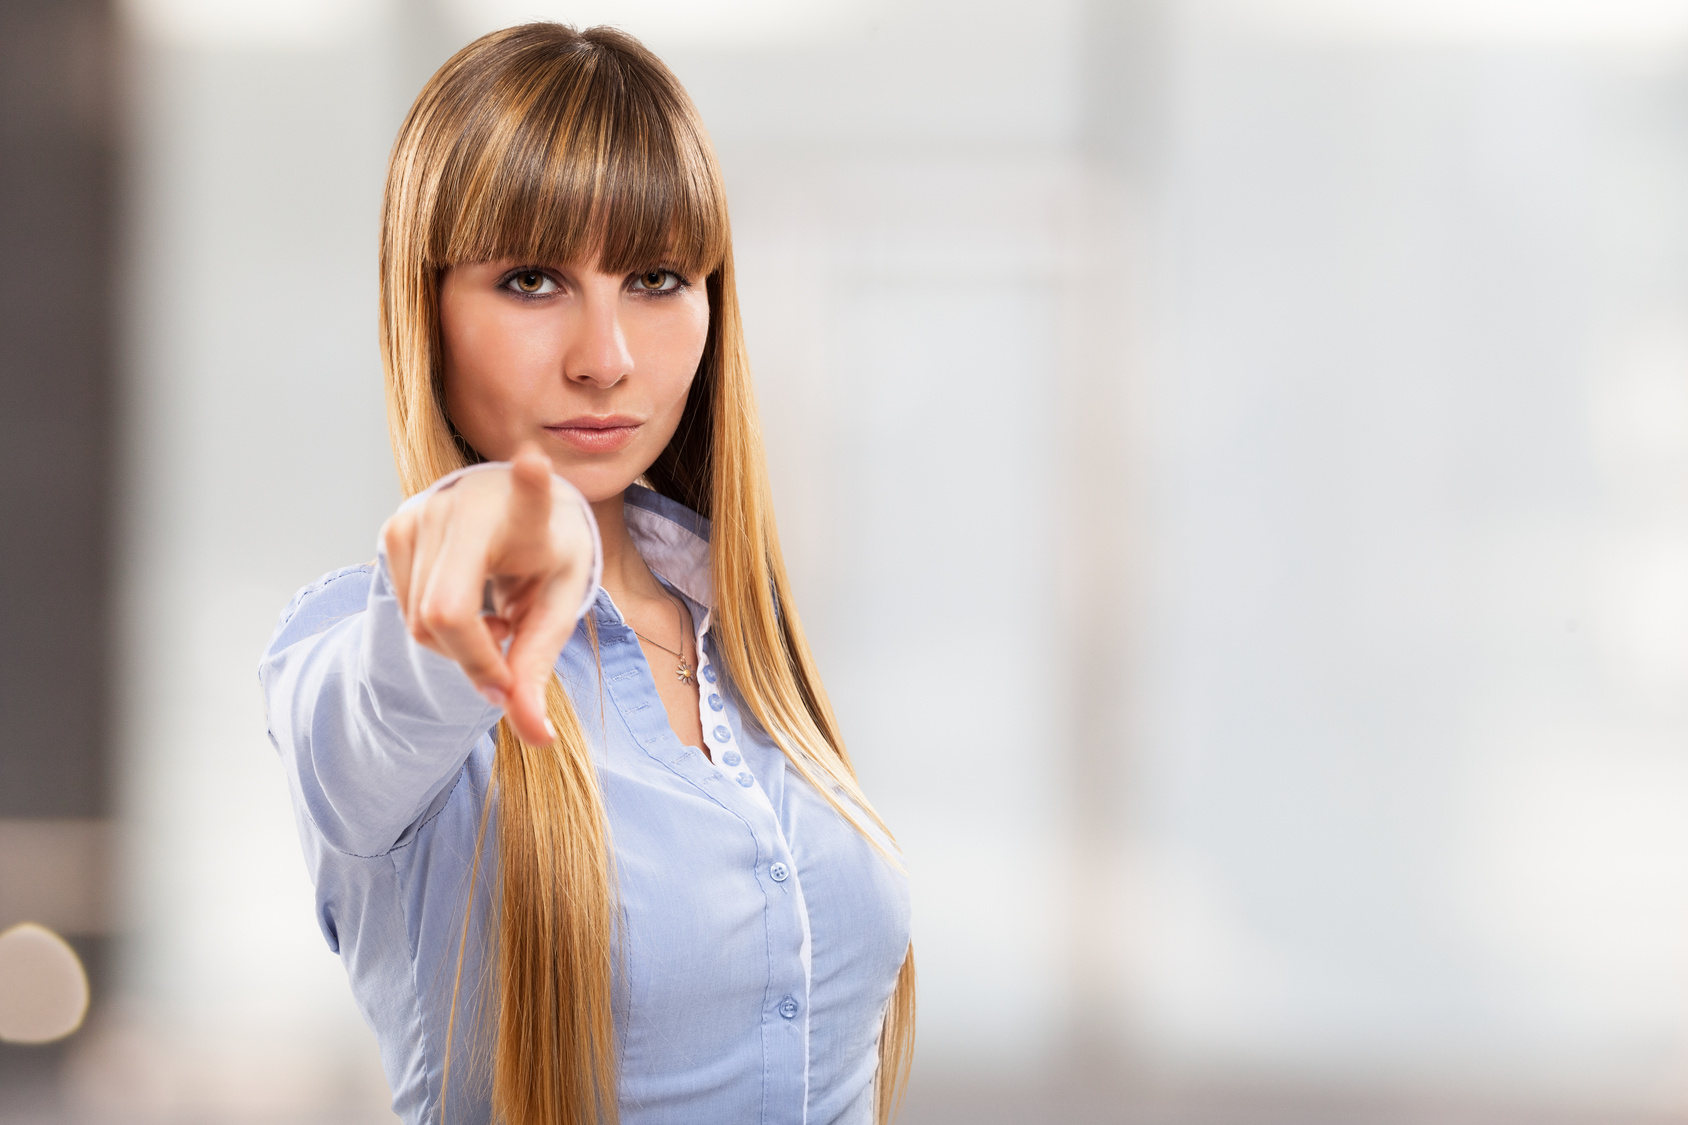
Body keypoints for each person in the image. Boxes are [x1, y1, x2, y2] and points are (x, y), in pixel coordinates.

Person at [258, 23, 914, 1125]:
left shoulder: (739, 639)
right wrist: (500, 521)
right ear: (427, 312)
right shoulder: (384, 653)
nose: (606, 354)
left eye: (656, 278)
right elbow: (371, 712)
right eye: (530, 280)